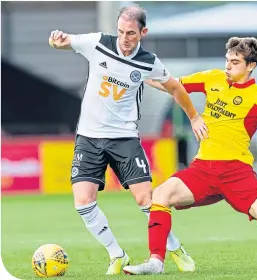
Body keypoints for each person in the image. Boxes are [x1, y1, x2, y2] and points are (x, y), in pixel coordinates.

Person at [123, 36, 257, 275]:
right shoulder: (212, 78)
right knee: (161, 194)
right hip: (203, 169)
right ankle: (156, 262)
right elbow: (171, 85)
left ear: (250, 66)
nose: (228, 66)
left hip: (238, 173)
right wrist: (139, 73)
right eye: (227, 60)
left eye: (235, 62)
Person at [48, 4, 208, 275]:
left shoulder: (148, 61)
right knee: (83, 202)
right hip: (89, 137)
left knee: (147, 200)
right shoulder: (98, 43)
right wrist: (57, 40)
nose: (124, 38)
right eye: (121, 32)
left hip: (124, 138)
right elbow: (65, 42)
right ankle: (116, 254)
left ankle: (176, 249)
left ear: (143, 32)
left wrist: (194, 117)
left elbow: (175, 87)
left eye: (131, 33)